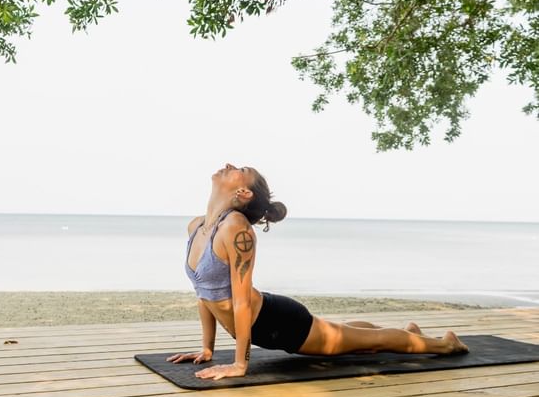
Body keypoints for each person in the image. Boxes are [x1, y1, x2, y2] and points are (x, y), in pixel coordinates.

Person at [168, 163, 468, 381]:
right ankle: (408, 333)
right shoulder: (197, 227)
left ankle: (444, 344)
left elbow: (241, 301)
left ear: (243, 192)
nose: (229, 165)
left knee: (367, 343)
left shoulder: (236, 229)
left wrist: (239, 365)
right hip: (266, 319)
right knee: (343, 332)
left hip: (279, 324)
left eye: (239, 169)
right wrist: (207, 349)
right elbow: (203, 293)